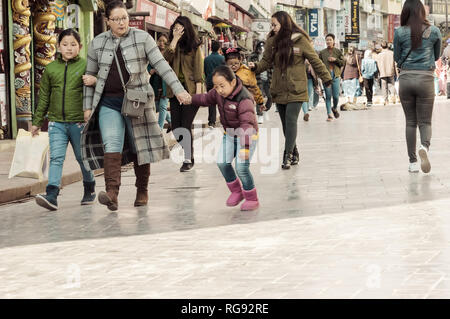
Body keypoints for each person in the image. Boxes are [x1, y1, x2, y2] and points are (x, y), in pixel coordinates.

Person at [81, 0, 190, 211]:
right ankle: (112, 193)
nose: (122, 23)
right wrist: (87, 106)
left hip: (137, 101)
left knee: (139, 144)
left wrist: (178, 89)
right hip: (108, 103)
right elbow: (89, 76)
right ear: (107, 21)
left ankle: (142, 189)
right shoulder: (97, 43)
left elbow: (161, 65)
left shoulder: (142, 38)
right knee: (111, 144)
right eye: (116, 19)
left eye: (124, 18)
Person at [249, 11, 332, 169]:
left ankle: (286, 155)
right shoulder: (272, 41)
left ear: (284, 23)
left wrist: (326, 78)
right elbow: (265, 62)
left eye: (275, 25)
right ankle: (294, 151)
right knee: (285, 124)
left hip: (296, 88)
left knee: (291, 120)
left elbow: (314, 60)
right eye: (271, 25)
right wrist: (256, 67)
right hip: (279, 88)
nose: (272, 28)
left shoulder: (300, 40)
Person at [31, 29, 96, 211]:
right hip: (56, 123)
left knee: (82, 158)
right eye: (65, 44)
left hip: (79, 122)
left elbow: (95, 90)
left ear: (80, 47)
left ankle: (89, 187)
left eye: (73, 45)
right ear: (58, 47)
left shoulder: (85, 66)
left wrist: (94, 80)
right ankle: (52, 194)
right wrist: (37, 122)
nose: (69, 48)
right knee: (56, 158)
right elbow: (44, 97)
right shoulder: (51, 69)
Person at [184, 65, 259, 211]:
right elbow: (205, 98)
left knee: (241, 167)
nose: (219, 90)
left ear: (232, 82)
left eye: (222, 86)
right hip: (230, 135)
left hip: (247, 137)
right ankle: (237, 191)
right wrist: (190, 99)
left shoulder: (244, 99)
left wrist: (245, 148)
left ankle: (252, 197)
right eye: (216, 87)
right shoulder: (218, 93)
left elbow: (247, 125)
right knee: (222, 162)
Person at [394, 0, 441, 173]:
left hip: (406, 79)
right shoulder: (434, 31)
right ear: (423, 12)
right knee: (425, 121)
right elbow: (436, 56)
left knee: (410, 122)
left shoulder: (399, 32)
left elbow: (397, 58)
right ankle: (425, 147)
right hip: (426, 80)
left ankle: (413, 162)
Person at [164, 16, 204, 172]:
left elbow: (198, 72)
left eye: (180, 28)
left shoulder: (194, 46)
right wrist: (174, 40)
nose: (178, 30)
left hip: (190, 91)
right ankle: (190, 154)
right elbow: (164, 59)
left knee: (185, 126)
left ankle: (188, 159)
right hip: (174, 92)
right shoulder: (171, 46)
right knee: (176, 129)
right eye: (175, 28)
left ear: (186, 29)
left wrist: (198, 97)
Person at [224, 47, 265, 124]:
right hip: (230, 106)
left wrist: (260, 102)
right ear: (226, 63)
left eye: (236, 63)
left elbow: (255, 88)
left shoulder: (247, 72)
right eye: (230, 64)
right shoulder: (224, 74)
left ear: (240, 60)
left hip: (246, 103)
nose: (233, 66)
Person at [319, 34, 344, 122]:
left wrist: (335, 60)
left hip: (336, 76)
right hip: (326, 77)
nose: (328, 41)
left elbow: (343, 63)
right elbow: (319, 65)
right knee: (328, 96)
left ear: (334, 41)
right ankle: (329, 114)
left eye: (330, 40)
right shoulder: (322, 53)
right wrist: (321, 75)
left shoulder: (338, 51)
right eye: (327, 40)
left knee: (336, 97)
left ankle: (334, 108)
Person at [149, 33, 172, 131]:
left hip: (166, 82)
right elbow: (148, 64)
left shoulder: (170, 53)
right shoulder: (153, 52)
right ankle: (171, 121)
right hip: (155, 82)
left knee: (163, 106)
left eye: (164, 41)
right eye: (160, 41)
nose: (162, 43)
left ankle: (159, 129)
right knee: (157, 106)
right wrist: (151, 70)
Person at [204, 40, 225, 128]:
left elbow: (205, 71)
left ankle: (211, 122)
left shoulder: (206, 59)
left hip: (210, 82)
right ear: (219, 48)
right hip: (220, 83)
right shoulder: (222, 59)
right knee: (222, 101)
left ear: (210, 48)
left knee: (211, 102)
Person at [249, 41, 273, 117]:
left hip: (268, 78)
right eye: (260, 48)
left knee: (270, 96)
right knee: (259, 96)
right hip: (258, 78)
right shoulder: (253, 56)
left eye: (263, 47)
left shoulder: (268, 56)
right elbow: (249, 65)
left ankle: (266, 108)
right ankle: (259, 113)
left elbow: (272, 66)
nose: (262, 49)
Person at [375, 40, 398, 105]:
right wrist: (397, 73)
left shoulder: (379, 55)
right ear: (387, 46)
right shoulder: (392, 53)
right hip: (391, 71)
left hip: (382, 72)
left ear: (381, 47)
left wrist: (377, 74)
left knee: (384, 86)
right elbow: (395, 63)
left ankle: (385, 100)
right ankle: (393, 96)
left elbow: (377, 65)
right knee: (391, 85)